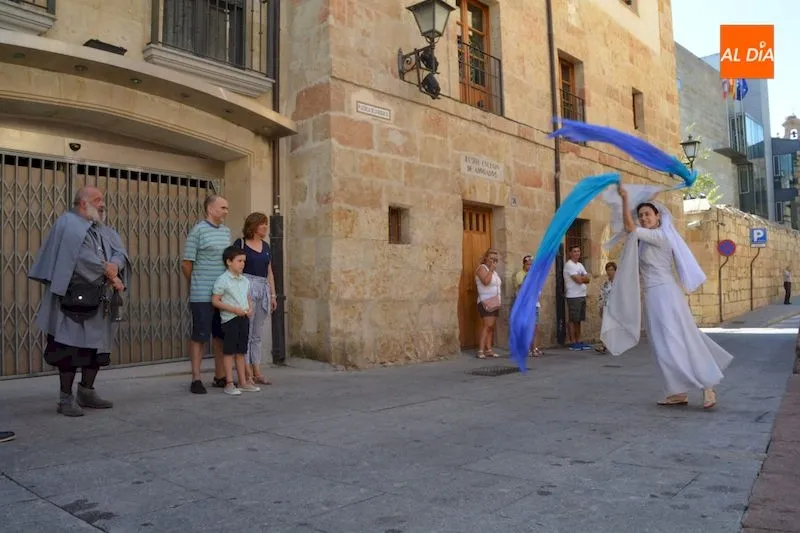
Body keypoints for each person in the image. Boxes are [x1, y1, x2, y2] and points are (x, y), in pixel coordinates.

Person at [604, 184, 733, 409]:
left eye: (648, 214)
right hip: (654, 295)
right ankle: (677, 391)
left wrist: (625, 199)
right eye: (641, 215)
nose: (643, 218)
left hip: (664, 294)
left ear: (659, 217)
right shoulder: (647, 239)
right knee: (662, 344)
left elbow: (630, 227)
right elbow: (631, 228)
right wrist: (648, 197)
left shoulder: (660, 236)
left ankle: (707, 385)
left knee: (678, 340)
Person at [29, 187, 129, 417]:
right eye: (98, 200)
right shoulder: (68, 225)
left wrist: (114, 266)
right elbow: (79, 259)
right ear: (84, 203)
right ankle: (65, 399)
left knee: (96, 349)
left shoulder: (102, 228)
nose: (103, 204)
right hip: (72, 302)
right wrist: (110, 273)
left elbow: (120, 252)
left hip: (99, 301)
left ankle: (87, 391)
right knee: (69, 350)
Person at [182, 195, 231, 394]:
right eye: (223, 207)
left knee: (220, 336)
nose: (226, 211)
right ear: (210, 209)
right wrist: (197, 283)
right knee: (200, 336)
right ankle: (196, 378)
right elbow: (187, 263)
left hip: (222, 295)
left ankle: (220, 376)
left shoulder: (226, 232)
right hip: (202, 294)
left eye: (227, 208)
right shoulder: (198, 231)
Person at [233, 213, 277, 386]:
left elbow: (269, 272)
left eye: (266, 224)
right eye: (262, 224)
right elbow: (235, 269)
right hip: (247, 288)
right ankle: (247, 373)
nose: (265, 227)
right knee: (246, 332)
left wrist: (272, 295)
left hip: (262, 288)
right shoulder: (241, 244)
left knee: (257, 334)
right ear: (252, 225)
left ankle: (257, 371)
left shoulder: (266, 246)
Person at [211, 246, 260, 396]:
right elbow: (215, 301)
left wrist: (249, 308)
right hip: (230, 320)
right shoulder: (223, 280)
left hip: (243, 318)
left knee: (241, 351)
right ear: (229, 262)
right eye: (239, 261)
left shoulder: (245, 280)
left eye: (244, 261)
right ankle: (229, 383)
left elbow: (247, 297)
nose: (242, 264)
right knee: (229, 352)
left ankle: (243, 382)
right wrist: (233, 309)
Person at [513, 255, 543, 357]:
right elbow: (522, 288)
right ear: (524, 264)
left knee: (535, 327)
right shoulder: (520, 275)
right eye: (528, 264)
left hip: (535, 304)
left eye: (532, 265)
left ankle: (534, 347)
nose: (530, 266)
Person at [475, 248, 502, 359]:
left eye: (495, 259)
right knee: (487, 326)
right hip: (485, 301)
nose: (493, 261)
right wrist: (490, 270)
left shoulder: (494, 272)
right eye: (491, 258)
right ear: (486, 258)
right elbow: (486, 282)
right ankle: (481, 350)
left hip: (494, 301)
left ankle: (489, 349)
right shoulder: (482, 268)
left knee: (491, 327)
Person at [563, 246, 591, 351]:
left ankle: (578, 340)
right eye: (574, 251)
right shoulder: (569, 265)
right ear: (570, 253)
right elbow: (578, 280)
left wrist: (582, 278)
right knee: (573, 319)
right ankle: (572, 342)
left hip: (581, 295)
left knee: (579, 319)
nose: (577, 253)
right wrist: (582, 278)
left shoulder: (580, 265)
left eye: (578, 251)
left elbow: (588, 279)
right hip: (573, 296)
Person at [595, 261, 617, 354]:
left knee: (614, 326)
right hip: (607, 307)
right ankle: (604, 345)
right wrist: (600, 307)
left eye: (611, 269)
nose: (609, 272)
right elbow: (602, 296)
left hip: (616, 308)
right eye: (608, 270)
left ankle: (613, 344)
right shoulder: (605, 284)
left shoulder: (619, 283)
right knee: (606, 325)